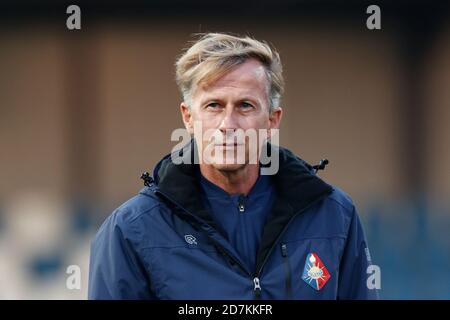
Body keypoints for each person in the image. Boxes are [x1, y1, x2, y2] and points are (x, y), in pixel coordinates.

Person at [88, 33, 379, 300]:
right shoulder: (132, 230)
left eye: (245, 106)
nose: (228, 125)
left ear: (272, 120)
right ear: (188, 117)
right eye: (214, 105)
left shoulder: (334, 216)